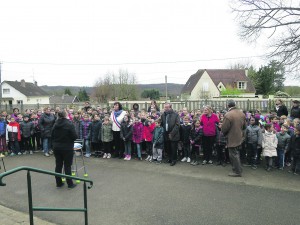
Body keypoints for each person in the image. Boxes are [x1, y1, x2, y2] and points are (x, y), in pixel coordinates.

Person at [51, 111, 77, 189]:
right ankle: (70, 184)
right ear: (66, 115)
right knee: (67, 166)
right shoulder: (69, 124)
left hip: (57, 147)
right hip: (67, 147)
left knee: (58, 165)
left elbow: (52, 135)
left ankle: (58, 183)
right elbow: (75, 136)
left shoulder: (55, 124)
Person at [221, 100, 246, 177]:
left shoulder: (228, 115)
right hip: (239, 136)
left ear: (227, 105)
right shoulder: (241, 113)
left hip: (232, 137)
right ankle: (239, 169)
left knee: (233, 155)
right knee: (236, 153)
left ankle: (237, 172)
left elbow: (224, 128)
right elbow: (244, 126)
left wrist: (224, 133)